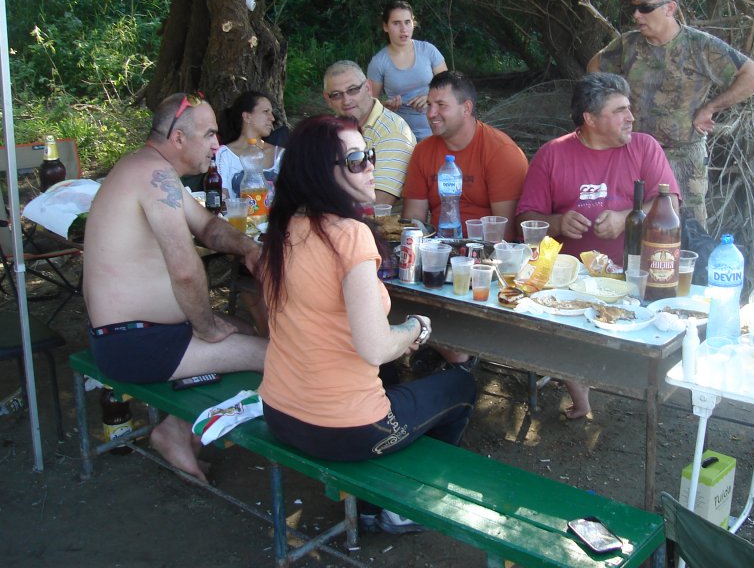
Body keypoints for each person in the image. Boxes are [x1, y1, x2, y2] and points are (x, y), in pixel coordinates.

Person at [257, 115, 477, 534]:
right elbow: (374, 347)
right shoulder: (349, 234)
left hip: (280, 413)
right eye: (356, 160)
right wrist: (416, 328)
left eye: (369, 155)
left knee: (391, 373)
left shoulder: (282, 228)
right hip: (344, 429)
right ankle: (404, 502)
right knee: (460, 386)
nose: (370, 166)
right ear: (323, 172)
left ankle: (373, 501)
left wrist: (394, 339)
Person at [83, 92, 268, 482]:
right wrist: (207, 327)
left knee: (246, 330)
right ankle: (179, 432)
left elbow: (209, 227)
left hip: (139, 337)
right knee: (275, 356)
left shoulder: (148, 168)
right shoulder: (155, 176)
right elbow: (184, 270)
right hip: (137, 344)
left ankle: (177, 428)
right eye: (210, 134)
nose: (217, 144)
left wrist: (248, 247)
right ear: (179, 138)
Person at [517, 73, 680, 418]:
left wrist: (628, 217)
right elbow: (526, 220)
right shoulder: (553, 154)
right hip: (570, 281)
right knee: (556, 319)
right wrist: (558, 223)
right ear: (590, 119)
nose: (631, 117)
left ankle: (638, 388)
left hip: (636, 276)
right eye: (619, 111)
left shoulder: (644, 147)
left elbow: (671, 207)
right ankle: (580, 392)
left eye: (629, 108)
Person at [587, 0, 754, 228]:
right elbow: (594, 68)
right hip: (634, 154)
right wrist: (613, 111)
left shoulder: (700, 46)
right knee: (631, 226)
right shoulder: (628, 44)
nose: (636, 15)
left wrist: (710, 107)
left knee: (686, 232)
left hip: (683, 157)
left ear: (670, 8)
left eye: (645, 7)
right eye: (634, 7)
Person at [402, 71, 528, 242]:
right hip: (438, 247)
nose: (431, 113)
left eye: (441, 105)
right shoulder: (422, 151)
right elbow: (413, 219)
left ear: (466, 109)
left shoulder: (502, 152)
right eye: (429, 104)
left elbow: (506, 232)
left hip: (487, 250)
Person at [324, 60, 415, 206]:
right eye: (336, 95)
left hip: (370, 220)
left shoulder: (393, 132)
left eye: (353, 90)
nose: (346, 100)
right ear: (327, 99)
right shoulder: (328, 130)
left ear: (368, 88)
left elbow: (377, 203)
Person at [368, 0, 449, 142]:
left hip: (437, 128)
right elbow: (369, 104)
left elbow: (449, 88)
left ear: (413, 23)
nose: (403, 29)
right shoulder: (378, 62)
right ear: (386, 26)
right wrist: (385, 107)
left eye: (407, 22)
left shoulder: (428, 50)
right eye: (396, 23)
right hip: (399, 134)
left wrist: (430, 98)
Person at [214, 91, 284, 199]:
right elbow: (222, 197)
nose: (272, 118)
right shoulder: (225, 154)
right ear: (247, 117)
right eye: (266, 111)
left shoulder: (280, 154)